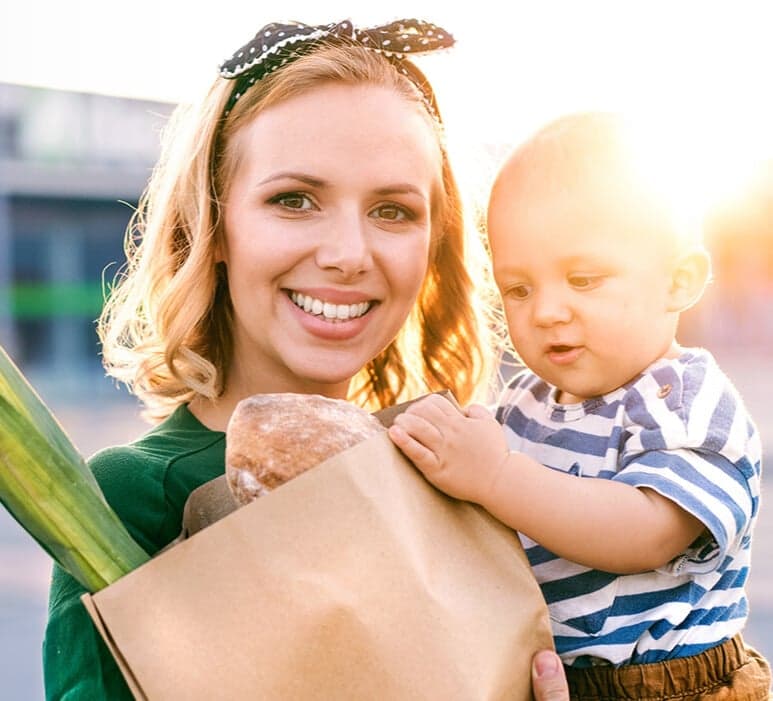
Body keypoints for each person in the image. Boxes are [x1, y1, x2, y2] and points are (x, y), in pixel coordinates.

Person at [41, 18, 567, 700]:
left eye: (392, 210)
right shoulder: (133, 498)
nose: (348, 253)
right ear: (212, 224)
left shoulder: (452, 469)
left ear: (433, 244)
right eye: (293, 200)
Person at [388, 112, 772, 699]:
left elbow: (645, 533)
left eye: (584, 279)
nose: (546, 312)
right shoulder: (523, 403)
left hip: (667, 686)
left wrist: (495, 475)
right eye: (519, 289)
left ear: (678, 280)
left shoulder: (687, 402)